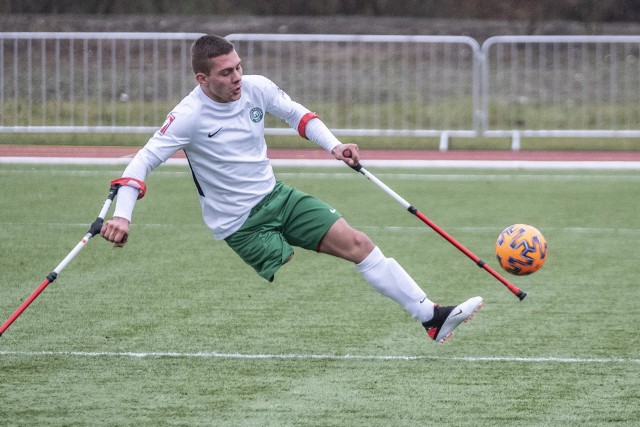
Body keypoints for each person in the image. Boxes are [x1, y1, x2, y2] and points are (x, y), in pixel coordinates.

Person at [100, 34, 483, 343]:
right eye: (225, 73)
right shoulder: (188, 116)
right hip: (239, 223)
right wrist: (122, 215)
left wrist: (334, 144)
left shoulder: (256, 88)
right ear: (202, 79)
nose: (236, 78)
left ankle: (431, 317)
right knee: (290, 263)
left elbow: (297, 114)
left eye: (239, 67)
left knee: (359, 244)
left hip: (277, 196)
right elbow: (142, 160)